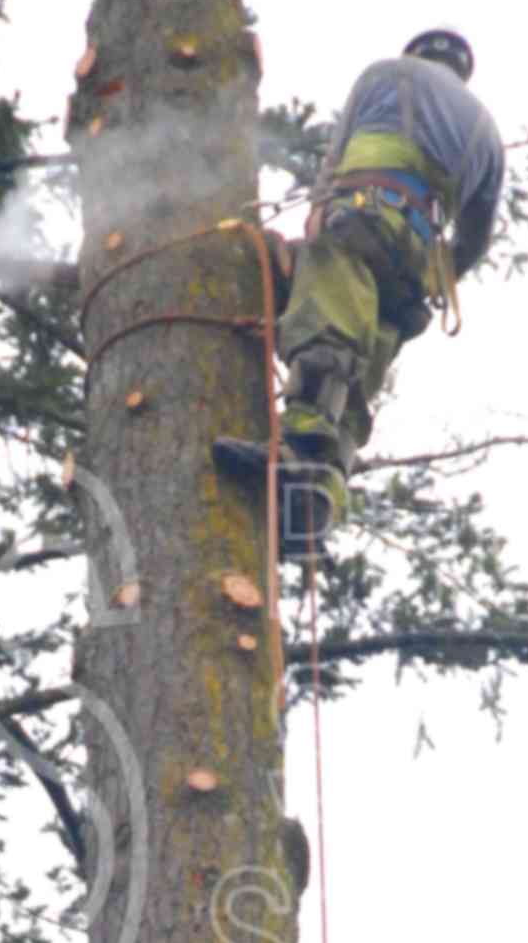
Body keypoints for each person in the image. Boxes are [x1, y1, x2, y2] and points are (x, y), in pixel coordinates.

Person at [214, 28, 505, 552]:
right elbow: (476, 239)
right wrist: (439, 275)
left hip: (363, 215)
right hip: (415, 263)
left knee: (329, 314)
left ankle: (299, 443)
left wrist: (318, 222)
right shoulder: (488, 132)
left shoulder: (384, 75)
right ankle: (319, 496)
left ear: (414, 53)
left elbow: (335, 161)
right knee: (365, 358)